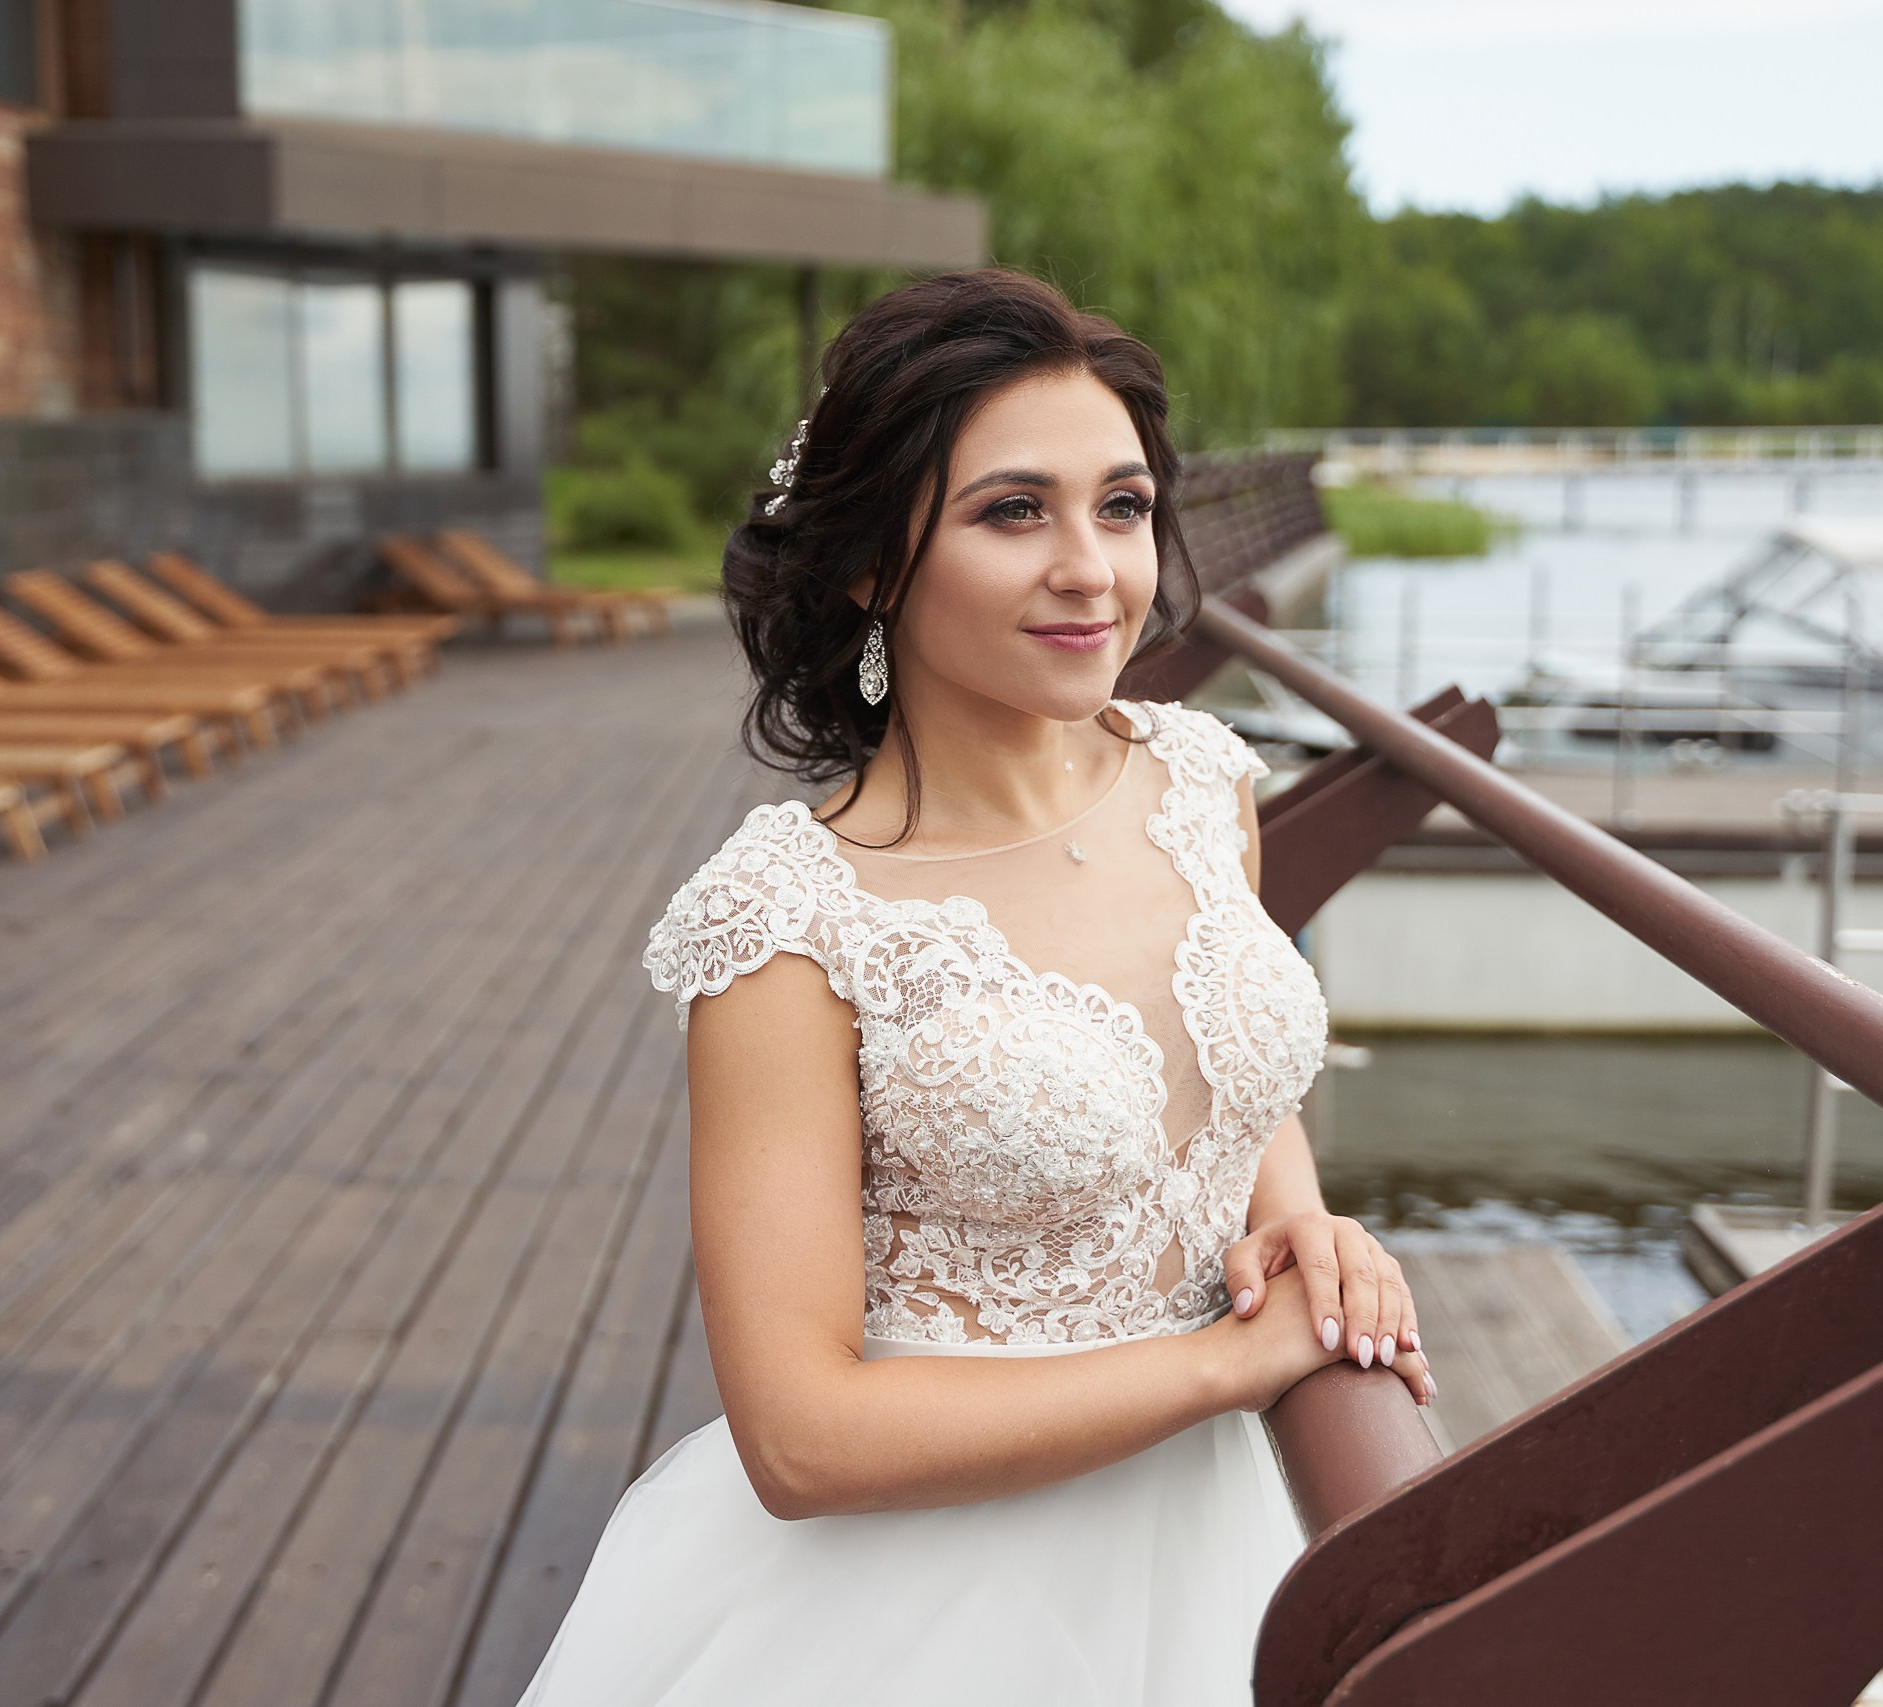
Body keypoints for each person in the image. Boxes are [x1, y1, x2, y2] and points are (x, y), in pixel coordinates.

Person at [518, 268, 1433, 1707]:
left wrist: (1307, 1234)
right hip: (915, 1616)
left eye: (1121, 507)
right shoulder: (785, 924)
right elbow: (802, 1439)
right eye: (1015, 512)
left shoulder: (1204, 784)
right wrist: (1224, 1368)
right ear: (875, 564)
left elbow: (1237, 1089)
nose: (1093, 570)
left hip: (1209, 1558)